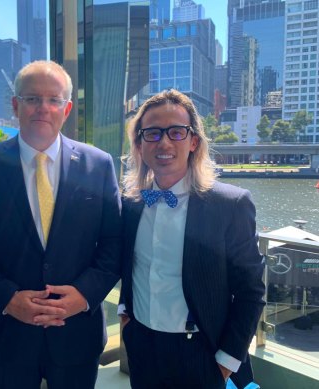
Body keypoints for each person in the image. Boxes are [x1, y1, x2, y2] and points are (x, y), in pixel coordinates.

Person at [0, 60, 121, 388]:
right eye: (32, 99)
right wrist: (7, 299)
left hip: (77, 334)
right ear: (16, 105)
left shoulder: (98, 165)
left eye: (53, 99)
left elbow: (114, 244)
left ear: (67, 108)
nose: (42, 108)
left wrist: (83, 295)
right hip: (7, 336)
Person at [119, 89, 265, 388]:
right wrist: (124, 312)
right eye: (152, 133)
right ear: (139, 144)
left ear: (194, 141)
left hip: (203, 353)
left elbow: (251, 291)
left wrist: (226, 361)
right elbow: (129, 266)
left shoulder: (230, 205)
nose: (164, 142)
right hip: (142, 347)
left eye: (176, 132)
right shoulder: (131, 204)